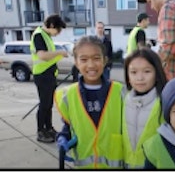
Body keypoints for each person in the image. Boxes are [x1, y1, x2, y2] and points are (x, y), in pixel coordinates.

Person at [55, 36, 125, 169]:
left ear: (105, 60)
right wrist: (63, 137)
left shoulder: (120, 92)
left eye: (96, 58)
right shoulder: (68, 95)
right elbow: (69, 126)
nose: (91, 65)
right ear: (76, 62)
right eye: (84, 59)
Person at [122, 49, 168, 169]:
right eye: (133, 72)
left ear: (157, 73)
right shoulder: (123, 100)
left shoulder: (164, 102)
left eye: (147, 71)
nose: (140, 78)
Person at [30, 14, 67, 143]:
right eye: (58, 30)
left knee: (49, 104)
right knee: (44, 104)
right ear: (51, 26)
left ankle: (49, 128)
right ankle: (41, 131)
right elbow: (42, 56)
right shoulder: (39, 35)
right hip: (42, 75)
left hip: (49, 75)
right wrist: (59, 53)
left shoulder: (47, 36)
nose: (58, 33)